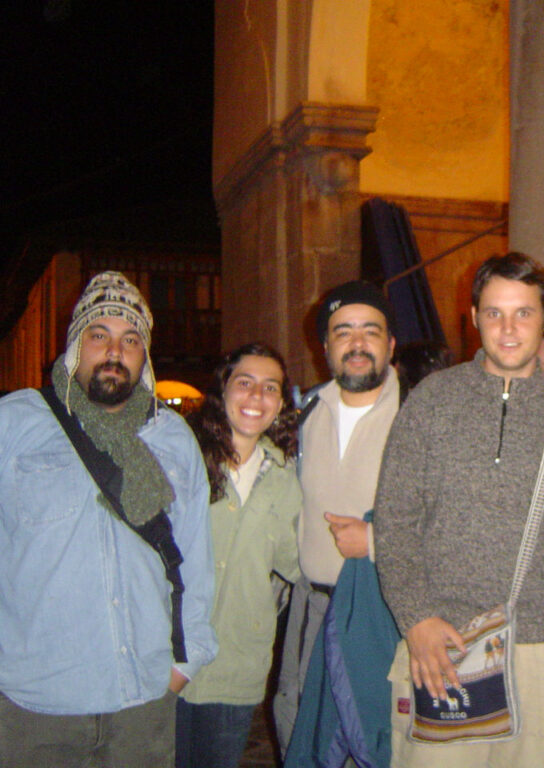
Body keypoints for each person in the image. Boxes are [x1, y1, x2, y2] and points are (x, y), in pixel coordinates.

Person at [374, 252, 544, 766]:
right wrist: (416, 619)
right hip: (443, 648)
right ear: (473, 316)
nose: (508, 329)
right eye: (494, 313)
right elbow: (396, 521)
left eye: (524, 313)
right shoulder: (430, 401)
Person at [0, 271, 217, 767]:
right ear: (76, 346)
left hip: (142, 697)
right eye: (99, 335)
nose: (114, 351)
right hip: (36, 706)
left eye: (131, 338)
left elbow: (195, 560)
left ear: (145, 356)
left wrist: (186, 662)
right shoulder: (14, 424)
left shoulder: (173, 439)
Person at [273, 280, 402, 752]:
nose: (357, 343)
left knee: (380, 743)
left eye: (371, 330)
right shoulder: (304, 414)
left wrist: (375, 539)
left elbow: (454, 518)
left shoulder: (419, 415)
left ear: (390, 344)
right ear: (325, 345)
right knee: (302, 739)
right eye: (343, 331)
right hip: (312, 611)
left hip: (386, 615)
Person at [176, 343, 301, 768]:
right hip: (164, 661)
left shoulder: (287, 476)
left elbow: (296, 563)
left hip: (236, 664)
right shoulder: (181, 457)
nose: (256, 396)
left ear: (281, 403)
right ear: (223, 389)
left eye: (270, 387)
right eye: (244, 383)